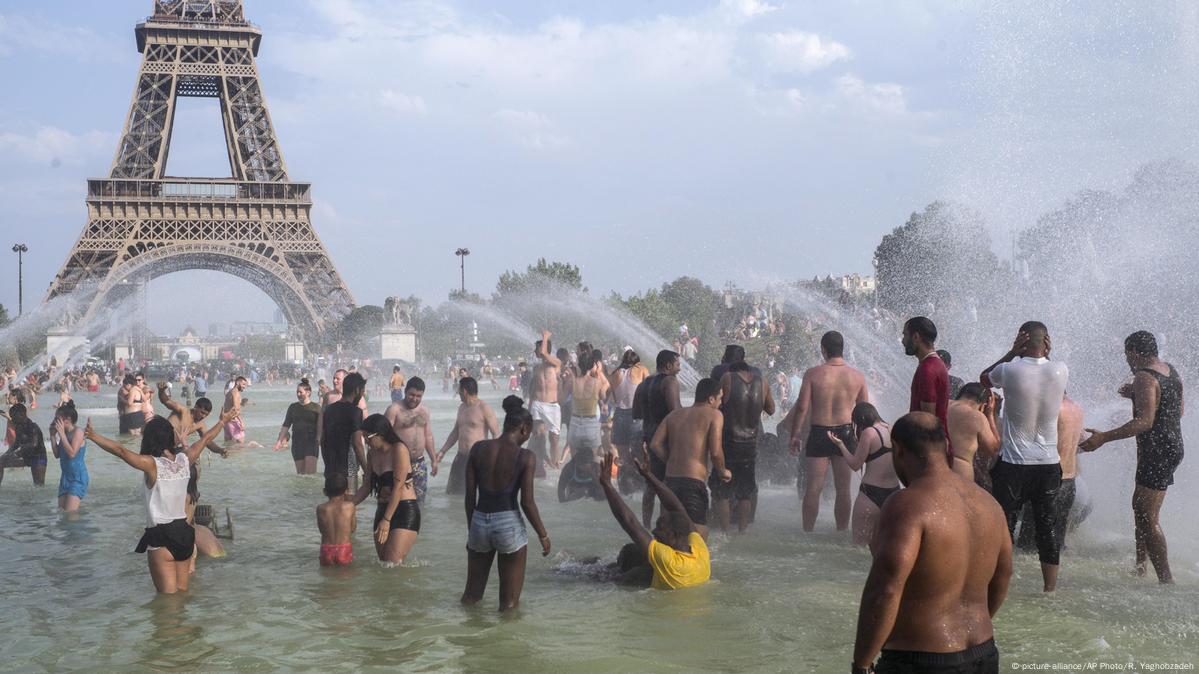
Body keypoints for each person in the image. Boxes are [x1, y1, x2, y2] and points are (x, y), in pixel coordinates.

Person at [852, 412, 1012, 674]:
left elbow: (886, 589)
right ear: (946, 446)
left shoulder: (907, 504)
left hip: (920, 659)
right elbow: (1004, 575)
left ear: (899, 450)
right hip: (984, 654)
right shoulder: (988, 504)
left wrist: (862, 663)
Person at [85, 411, 231, 593]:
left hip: (161, 536)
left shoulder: (152, 464)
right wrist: (223, 421)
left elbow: (120, 451)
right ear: (170, 438)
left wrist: (93, 436)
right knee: (182, 595)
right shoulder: (184, 460)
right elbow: (206, 438)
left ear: (150, 439)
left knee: (168, 602)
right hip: (185, 533)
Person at [1080, 330, 1183, 584]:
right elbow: (1178, 410)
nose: (1127, 359)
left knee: (1147, 516)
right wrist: (1139, 395)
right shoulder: (1170, 370)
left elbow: (1144, 422)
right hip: (1171, 446)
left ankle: (1165, 580)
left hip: (1157, 451)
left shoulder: (1144, 377)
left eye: (1127, 354)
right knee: (1141, 509)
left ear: (1134, 353)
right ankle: (1140, 567)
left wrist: (1103, 437)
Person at [980, 321, 1069, 592]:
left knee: (1005, 525)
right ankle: (1050, 589)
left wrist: (1010, 352)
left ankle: (1000, 586)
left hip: (1014, 464)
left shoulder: (1008, 369)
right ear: (1047, 343)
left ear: (1021, 339)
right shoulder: (1061, 369)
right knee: (1047, 527)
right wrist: (1044, 353)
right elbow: (1048, 374)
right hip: (1048, 464)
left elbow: (983, 378)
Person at [462, 396, 551, 612]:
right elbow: (527, 503)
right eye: (528, 433)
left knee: (471, 597)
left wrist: (472, 528)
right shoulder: (526, 457)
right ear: (523, 429)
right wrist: (543, 535)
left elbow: (469, 497)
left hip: (479, 520)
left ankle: (469, 639)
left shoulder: (478, 449)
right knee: (509, 605)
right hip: (508, 523)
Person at [788, 331, 870, 532]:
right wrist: (863, 440)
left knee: (814, 487)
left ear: (823, 349)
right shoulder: (857, 376)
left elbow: (802, 407)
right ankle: (841, 531)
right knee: (843, 489)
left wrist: (796, 433)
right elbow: (865, 410)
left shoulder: (813, 373)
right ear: (842, 349)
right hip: (846, 433)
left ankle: (808, 531)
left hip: (819, 432)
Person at [598, 453, 711, 590]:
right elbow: (678, 508)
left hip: (656, 594)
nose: (654, 531)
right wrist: (648, 475)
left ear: (674, 535)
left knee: (631, 556)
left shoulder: (670, 561)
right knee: (634, 553)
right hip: (685, 592)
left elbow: (629, 522)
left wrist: (607, 485)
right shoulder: (700, 550)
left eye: (660, 528)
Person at [650, 377, 730, 540]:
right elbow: (715, 452)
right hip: (692, 485)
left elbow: (655, 444)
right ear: (711, 398)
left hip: (669, 482)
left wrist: (672, 461)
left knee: (668, 537)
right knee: (697, 538)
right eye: (720, 398)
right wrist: (722, 471)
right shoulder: (715, 415)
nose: (721, 403)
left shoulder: (674, 415)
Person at [826, 403, 902, 546]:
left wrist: (841, 445)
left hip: (870, 494)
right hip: (894, 494)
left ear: (861, 418)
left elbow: (855, 464)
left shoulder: (869, 433)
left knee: (858, 546)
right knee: (888, 545)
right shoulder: (892, 429)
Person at [713, 361, 775, 533]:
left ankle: (724, 530)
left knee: (723, 489)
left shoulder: (727, 378)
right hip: (750, 444)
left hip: (729, 442)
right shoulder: (762, 382)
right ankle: (742, 531)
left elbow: (715, 402)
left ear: (732, 370)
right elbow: (771, 409)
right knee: (745, 491)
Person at [354, 414, 420, 564]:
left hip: (405, 509)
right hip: (382, 508)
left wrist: (386, 519)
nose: (366, 442)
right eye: (364, 438)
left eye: (368, 437)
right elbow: (367, 486)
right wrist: (348, 504)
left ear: (380, 434)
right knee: (384, 562)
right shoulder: (371, 454)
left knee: (393, 561)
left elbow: (398, 487)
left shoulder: (399, 449)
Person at [632, 350, 682, 527]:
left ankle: (646, 525)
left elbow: (636, 413)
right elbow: (675, 413)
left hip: (646, 436)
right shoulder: (670, 381)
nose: (680, 368)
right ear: (668, 366)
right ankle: (664, 526)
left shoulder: (644, 384)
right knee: (666, 485)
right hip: (664, 440)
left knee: (651, 485)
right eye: (677, 364)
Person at [558, 351, 612, 502]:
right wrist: (599, 372)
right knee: (593, 461)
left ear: (578, 365)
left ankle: (574, 488)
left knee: (575, 461)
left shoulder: (571, 381)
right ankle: (595, 491)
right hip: (590, 424)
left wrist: (559, 382)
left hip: (575, 423)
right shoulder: (597, 382)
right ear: (592, 365)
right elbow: (604, 394)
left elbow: (561, 400)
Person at [436, 377, 498, 494]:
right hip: (461, 457)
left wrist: (494, 459)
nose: (457, 393)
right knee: (453, 493)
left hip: (478, 458)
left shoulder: (484, 408)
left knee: (476, 494)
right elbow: (455, 432)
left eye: (459, 390)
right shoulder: (462, 408)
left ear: (464, 391)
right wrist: (442, 451)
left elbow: (495, 433)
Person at [385, 377, 438, 504]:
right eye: (412, 395)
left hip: (419, 463)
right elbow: (383, 436)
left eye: (418, 396)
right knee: (397, 500)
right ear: (405, 391)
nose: (415, 399)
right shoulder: (394, 410)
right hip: (398, 462)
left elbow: (428, 436)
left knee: (419, 502)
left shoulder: (424, 411)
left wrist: (434, 460)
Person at [317, 369, 369, 490]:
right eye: (362, 391)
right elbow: (357, 444)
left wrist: (327, 466)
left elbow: (324, 440)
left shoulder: (329, 410)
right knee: (349, 503)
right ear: (356, 390)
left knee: (333, 502)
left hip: (331, 468)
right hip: (348, 469)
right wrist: (367, 470)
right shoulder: (355, 412)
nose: (362, 394)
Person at [903, 317, 950, 441]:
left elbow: (927, 420)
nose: (903, 341)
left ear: (916, 337)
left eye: (905, 335)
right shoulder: (936, 364)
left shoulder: (927, 370)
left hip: (928, 450)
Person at [610, 348, 649, 494]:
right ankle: (641, 486)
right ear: (636, 362)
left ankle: (624, 489)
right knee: (639, 453)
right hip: (636, 415)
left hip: (619, 415)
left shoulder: (614, 374)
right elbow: (649, 390)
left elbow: (614, 399)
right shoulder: (641, 369)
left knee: (623, 457)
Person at [945, 383, 1000, 482]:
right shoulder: (978, 417)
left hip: (931, 467)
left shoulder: (943, 404)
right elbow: (993, 449)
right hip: (959, 475)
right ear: (984, 405)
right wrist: (990, 414)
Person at [528, 330, 563, 474]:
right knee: (538, 435)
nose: (535, 351)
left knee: (554, 438)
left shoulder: (556, 364)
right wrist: (529, 406)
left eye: (537, 348)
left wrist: (546, 337)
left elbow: (544, 353)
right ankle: (541, 462)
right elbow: (532, 389)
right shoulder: (536, 368)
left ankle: (555, 463)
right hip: (537, 404)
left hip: (552, 406)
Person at [275, 380, 321, 474]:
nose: (298, 394)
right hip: (297, 444)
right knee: (301, 475)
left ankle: (310, 489)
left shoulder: (316, 407)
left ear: (308, 393)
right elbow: (286, 425)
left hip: (312, 442)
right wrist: (279, 442)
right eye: (297, 392)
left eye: (301, 392)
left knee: (310, 474)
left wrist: (321, 438)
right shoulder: (293, 407)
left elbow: (322, 425)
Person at [51, 402, 88, 513]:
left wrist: (61, 434)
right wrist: (52, 435)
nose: (54, 421)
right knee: (62, 513)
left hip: (78, 477)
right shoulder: (65, 433)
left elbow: (72, 454)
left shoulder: (78, 432)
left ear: (67, 419)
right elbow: (57, 454)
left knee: (70, 515)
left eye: (57, 418)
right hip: (65, 478)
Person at [0, 403, 47, 488]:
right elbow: (16, 444)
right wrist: (6, 454)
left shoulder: (33, 427)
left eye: (13, 416)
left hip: (38, 457)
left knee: (39, 486)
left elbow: (34, 444)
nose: (12, 419)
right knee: (1, 461)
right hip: (25, 457)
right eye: (11, 416)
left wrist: (18, 452)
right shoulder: (18, 427)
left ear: (22, 414)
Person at [317, 473, 356, 566]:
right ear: (346, 491)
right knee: (345, 577)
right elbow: (353, 529)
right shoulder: (350, 506)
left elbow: (321, 530)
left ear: (324, 491)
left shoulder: (321, 508)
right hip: (344, 549)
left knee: (327, 577)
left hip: (326, 549)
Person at [221, 376, 250, 445]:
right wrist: (241, 422)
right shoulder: (236, 393)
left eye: (245, 385)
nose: (244, 387)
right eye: (243, 384)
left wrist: (241, 404)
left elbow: (228, 406)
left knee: (228, 444)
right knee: (240, 444)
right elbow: (235, 409)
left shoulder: (229, 392)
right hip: (233, 421)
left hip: (226, 421)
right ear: (237, 383)